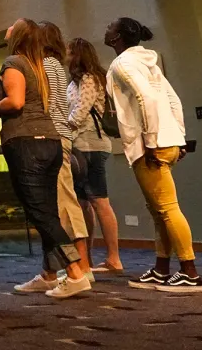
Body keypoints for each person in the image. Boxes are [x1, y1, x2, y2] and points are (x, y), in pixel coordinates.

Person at [0, 19, 88, 299]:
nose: (7, 29)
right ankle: (51, 272)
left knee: (42, 212)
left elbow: (16, 102)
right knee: (47, 211)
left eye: (12, 27)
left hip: (27, 141)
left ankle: (75, 270)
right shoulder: (42, 65)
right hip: (51, 140)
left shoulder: (16, 63)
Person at [104, 17, 202, 293]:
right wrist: (178, 137)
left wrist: (150, 140)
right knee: (159, 211)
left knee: (168, 209)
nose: (106, 28)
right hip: (168, 141)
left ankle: (190, 272)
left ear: (117, 38)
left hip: (151, 145)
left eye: (110, 27)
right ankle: (162, 268)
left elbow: (145, 98)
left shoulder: (122, 64)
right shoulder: (149, 63)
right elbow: (173, 100)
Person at [66, 37, 123, 275]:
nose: (65, 55)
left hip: (91, 144)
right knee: (82, 203)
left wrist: (63, 128)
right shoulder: (76, 81)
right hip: (80, 144)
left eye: (69, 52)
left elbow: (81, 109)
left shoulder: (89, 79)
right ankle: (85, 258)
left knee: (99, 201)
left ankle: (114, 258)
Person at [39, 22, 91, 281]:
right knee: (60, 203)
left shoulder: (46, 66)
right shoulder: (58, 67)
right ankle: (57, 269)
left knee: (65, 203)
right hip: (61, 134)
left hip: (54, 135)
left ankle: (80, 266)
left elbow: (44, 102)